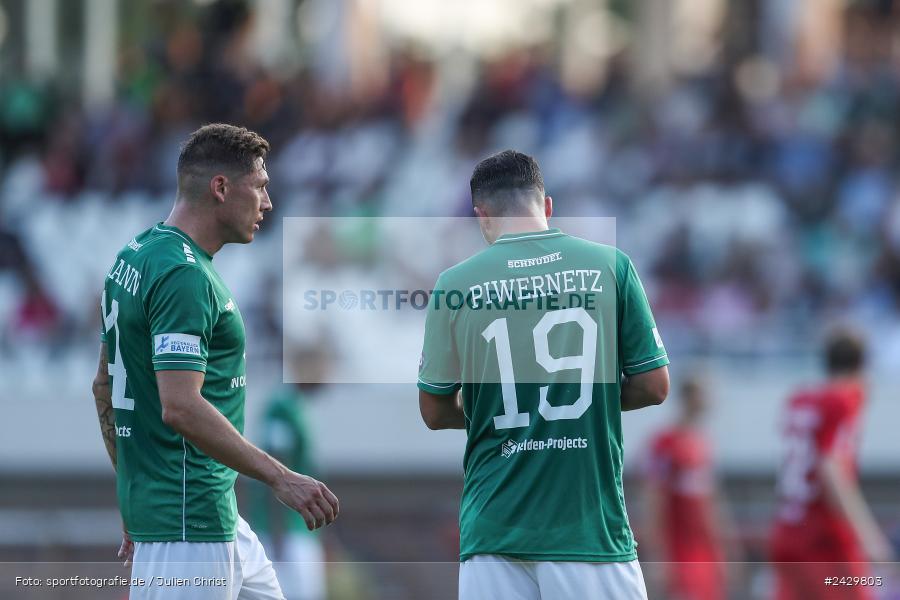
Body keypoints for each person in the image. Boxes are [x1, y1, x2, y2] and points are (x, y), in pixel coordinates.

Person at [91, 123, 339, 600]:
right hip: (187, 522)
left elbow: (103, 384)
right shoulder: (184, 277)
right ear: (221, 188)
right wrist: (280, 477)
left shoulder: (134, 256)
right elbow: (180, 406)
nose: (268, 203)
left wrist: (133, 494)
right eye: (261, 187)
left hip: (205, 511)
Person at [417, 150, 669, 600]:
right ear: (547, 206)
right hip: (586, 525)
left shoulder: (454, 285)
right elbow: (654, 385)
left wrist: (493, 410)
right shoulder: (610, 265)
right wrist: (587, 401)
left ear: (482, 216)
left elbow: (434, 412)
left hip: (492, 527)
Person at [771, 328, 893, 600]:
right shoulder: (845, 398)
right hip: (823, 537)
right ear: (862, 364)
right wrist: (869, 538)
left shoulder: (801, 398)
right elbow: (831, 468)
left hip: (786, 530)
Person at [642, 375, 737, 600]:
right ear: (689, 398)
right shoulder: (665, 442)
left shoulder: (702, 443)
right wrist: (657, 556)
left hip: (704, 553)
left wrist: (725, 552)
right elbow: (653, 500)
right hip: (678, 551)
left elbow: (712, 505)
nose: (709, 401)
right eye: (704, 394)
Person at [249, 383, 327, 600]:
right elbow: (276, 471)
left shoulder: (297, 407)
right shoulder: (282, 408)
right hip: (284, 536)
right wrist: (278, 534)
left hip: (296, 532)